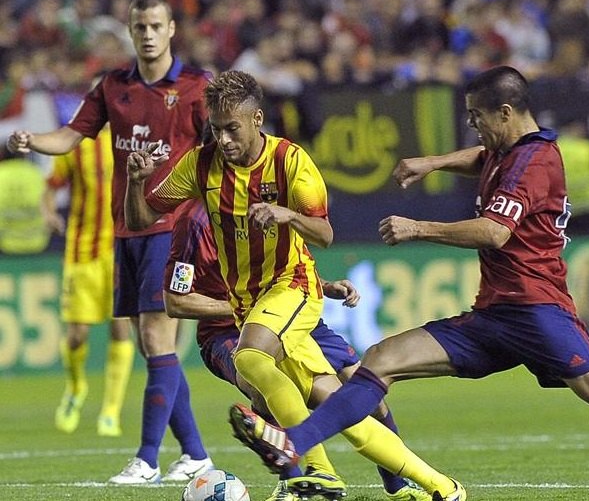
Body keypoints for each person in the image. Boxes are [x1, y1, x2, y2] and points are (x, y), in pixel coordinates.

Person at [230, 66, 589, 501]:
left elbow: (494, 231)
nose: (473, 127)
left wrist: (419, 228)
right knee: (382, 358)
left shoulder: (536, 161)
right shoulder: (509, 153)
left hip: (538, 312)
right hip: (495, 316)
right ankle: (294, 444)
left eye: (476, 118)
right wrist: (433, 162)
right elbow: (483, 158)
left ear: (505, 113)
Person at [124, 69, 464, 501]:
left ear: (257, 119)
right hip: (251, 307)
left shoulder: (290, 161)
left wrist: (289, 215)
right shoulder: (201, 165)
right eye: (217, 129)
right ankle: (443, 487)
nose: (223, 139)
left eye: (232, 129)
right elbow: (141, 219)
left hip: (293, 286)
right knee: (339, 407)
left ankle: (317, 469)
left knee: (251, 357)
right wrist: (136, 181)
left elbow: (324, 233)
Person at [6, 0, 214, 484]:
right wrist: (32, 141)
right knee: (152, 346)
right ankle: (196, 454)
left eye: (156, 25)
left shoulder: (195, 86)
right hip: (126, 228)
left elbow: (221, 148)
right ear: (131, 31)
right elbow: (70, 136)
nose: (148, 34)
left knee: (156, 336)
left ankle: (147, 459)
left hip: (173, 227)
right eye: (140, 26)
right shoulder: (112, 86)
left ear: (171, 30)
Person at [163, 197, 430, 501]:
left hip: (291, 314)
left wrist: (324, 286)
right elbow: (177, 301)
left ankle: (398, 485)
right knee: (263, 387)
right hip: (227, 331)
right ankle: (292, 483)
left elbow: (286, 264)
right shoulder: (195, 222)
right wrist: (244, 307)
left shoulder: (265, 204)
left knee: (368, 394)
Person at [42, 126, 134, 437]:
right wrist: (49, 213)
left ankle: (111, 410)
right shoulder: (76, 144)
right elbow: (50, 187)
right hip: (82, 252)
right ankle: (75, 387)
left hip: (119, 251)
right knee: (76, 335)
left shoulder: (127, 140)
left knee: (120, 327)